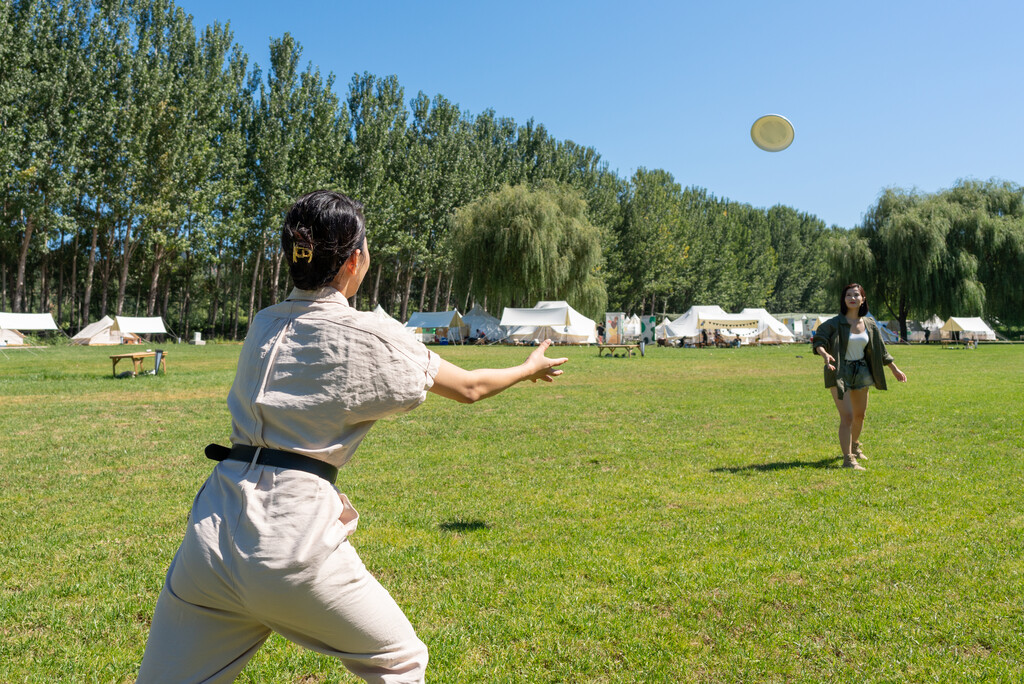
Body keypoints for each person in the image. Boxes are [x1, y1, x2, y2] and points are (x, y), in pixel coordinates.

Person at [138, 190, 568, 683]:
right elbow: (469, 387)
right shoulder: (370, 336)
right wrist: (527, 367)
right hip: (290, 539)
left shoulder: (262, 324)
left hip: (210, 536)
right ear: (356, 259)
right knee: (400, 661)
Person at [812, 283, 907, 470]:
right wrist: (824, 354)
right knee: (847, 416)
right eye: (848, 295)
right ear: (844, 299)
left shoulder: (870, 324)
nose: (852, 298)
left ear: (863, 298)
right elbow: (819, 340)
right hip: (838, 371)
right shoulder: (833, 323)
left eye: (856, 295)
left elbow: (880, 351)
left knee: (859, 416)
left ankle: (855, 446)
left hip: (862, 372)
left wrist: (894, 369)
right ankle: (848, 460)